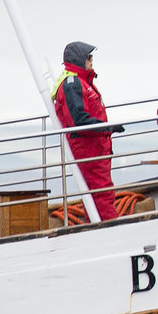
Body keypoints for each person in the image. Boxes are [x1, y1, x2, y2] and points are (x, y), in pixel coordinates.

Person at [50, 40, 122, 222]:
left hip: (94, 146)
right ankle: (112, 231)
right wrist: (108, 128)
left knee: (97, 194)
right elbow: (79, 120)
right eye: (89, 58)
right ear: (79, 60)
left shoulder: (79, 82)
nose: (91, 61)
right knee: (101, 193)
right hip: (89, 148)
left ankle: (96, 229)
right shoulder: (73, 84)